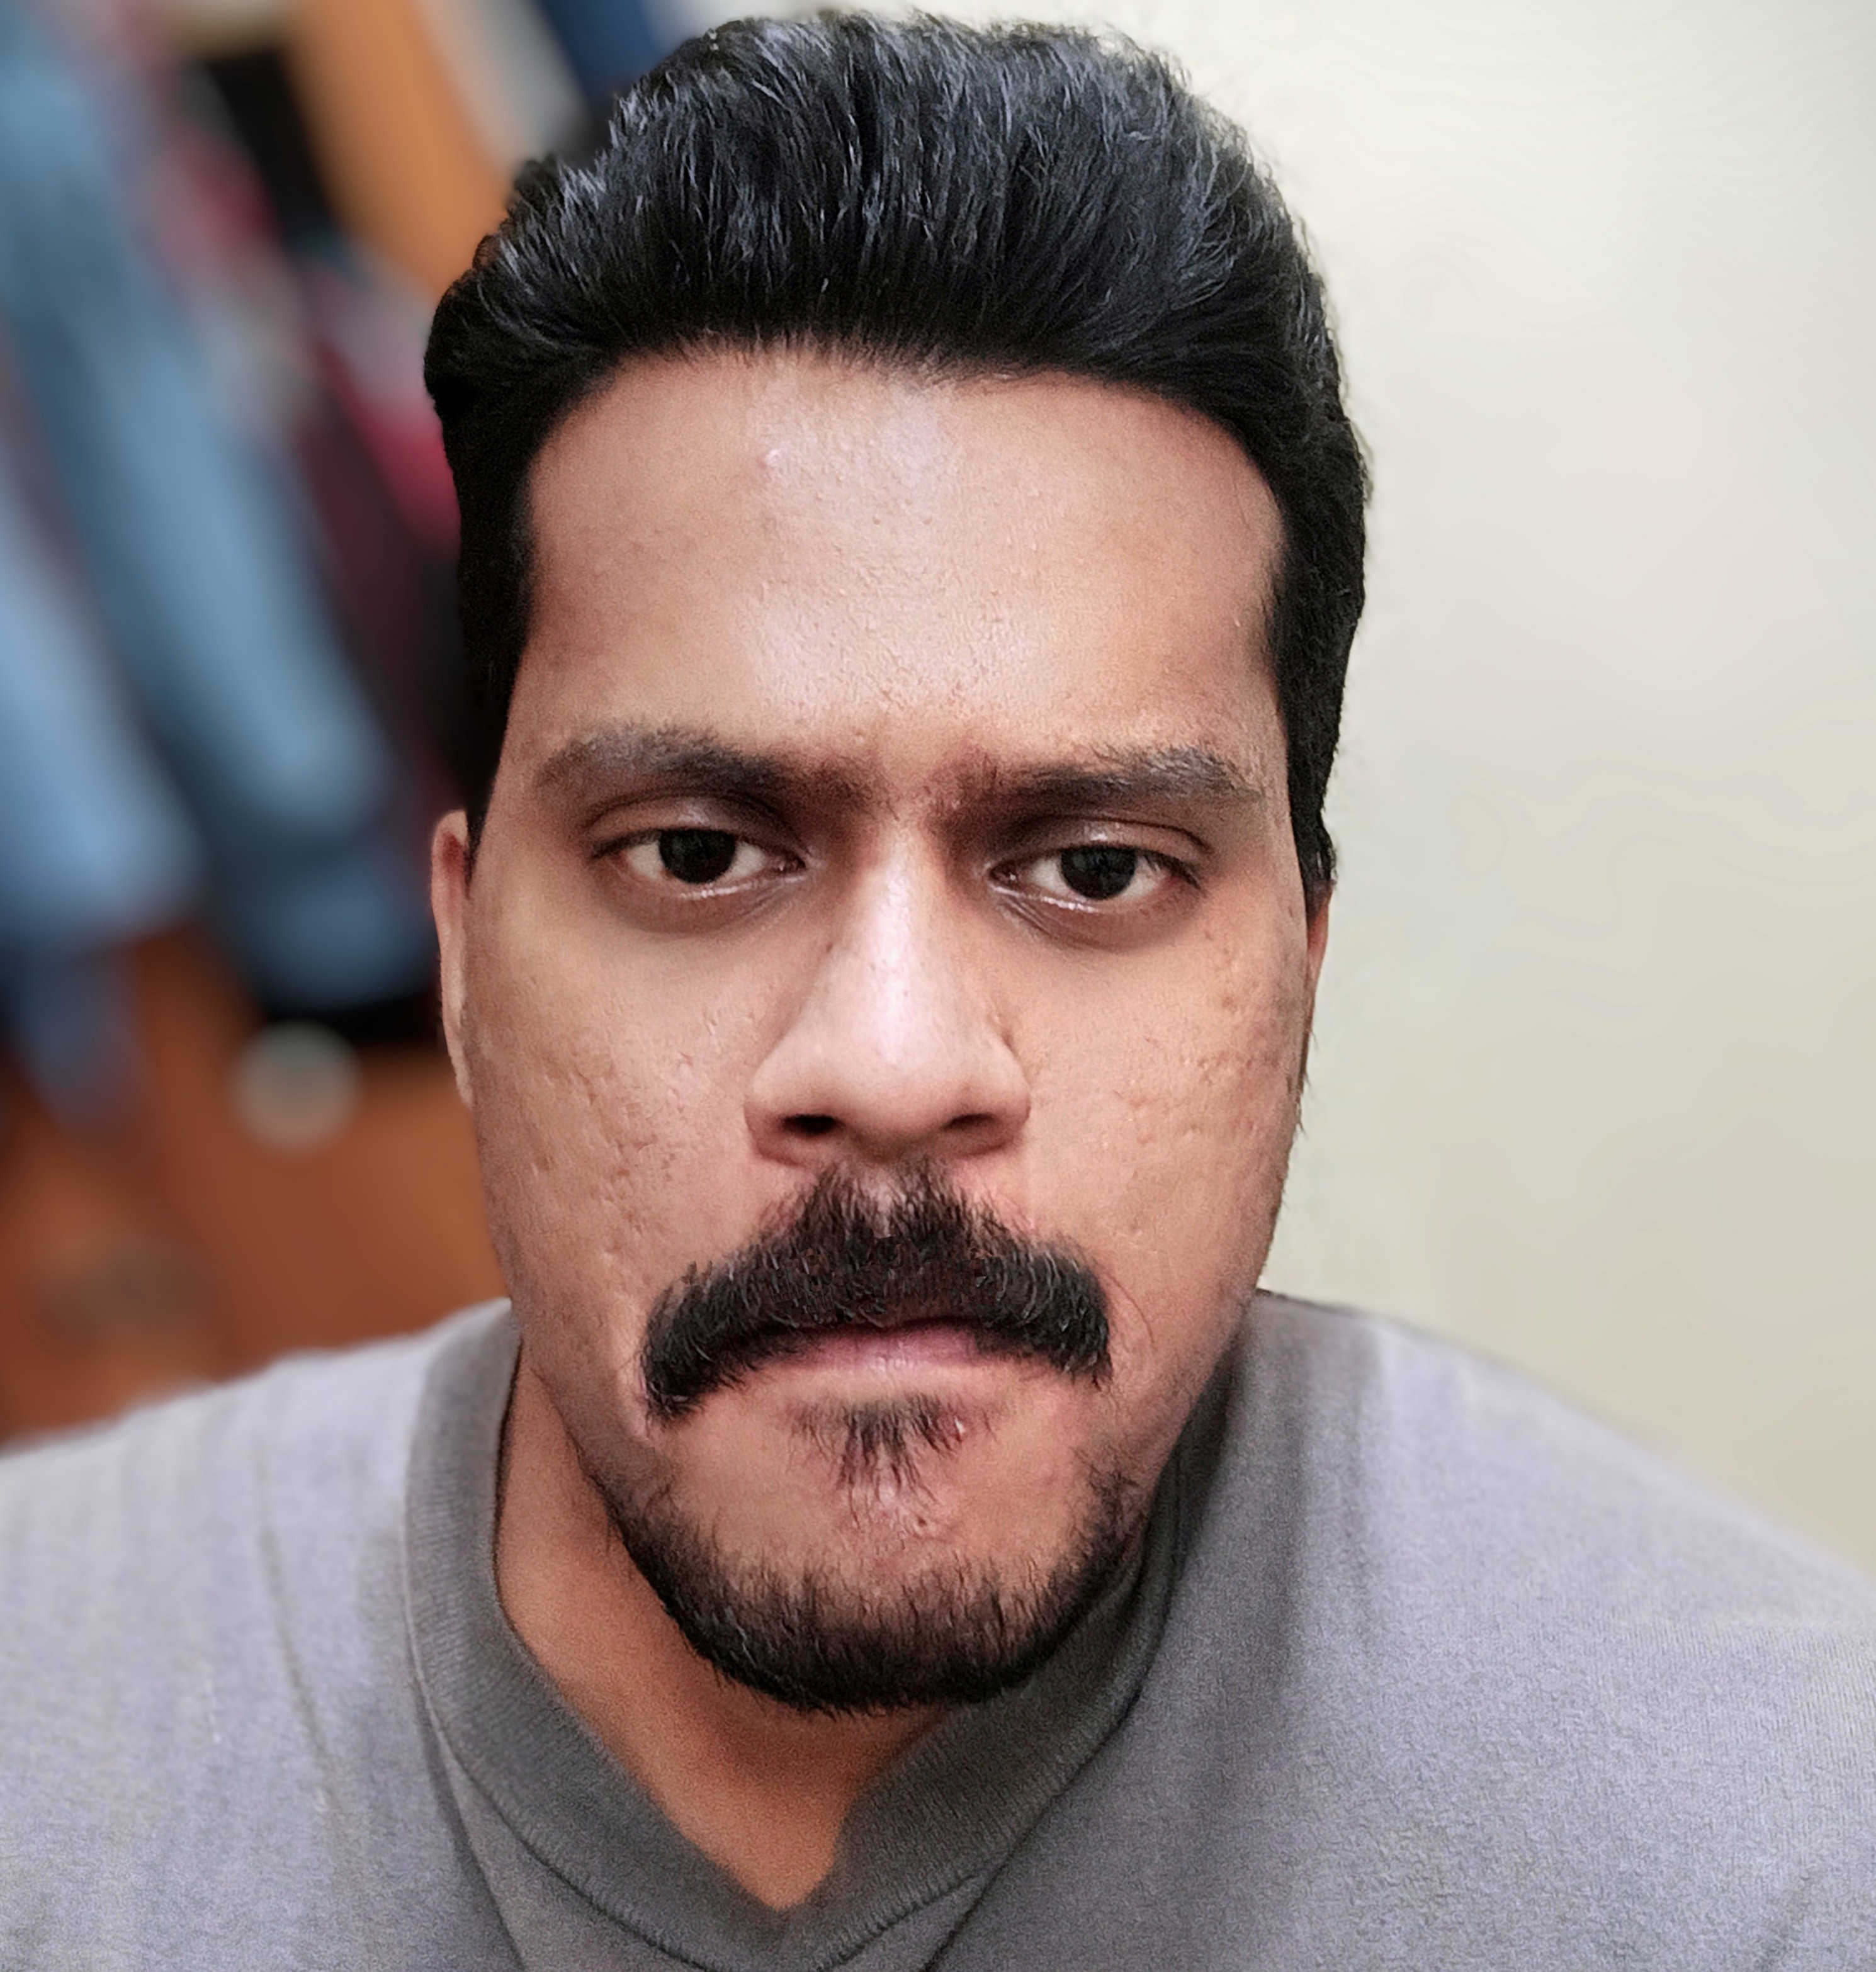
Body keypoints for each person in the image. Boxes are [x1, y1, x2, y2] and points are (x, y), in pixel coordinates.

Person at [3, 15, 1872, 1968]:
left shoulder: (1772, 1861)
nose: (892, 1064)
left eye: (1093, 869)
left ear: (1298, 978)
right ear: (465, 960)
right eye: (697, 854)